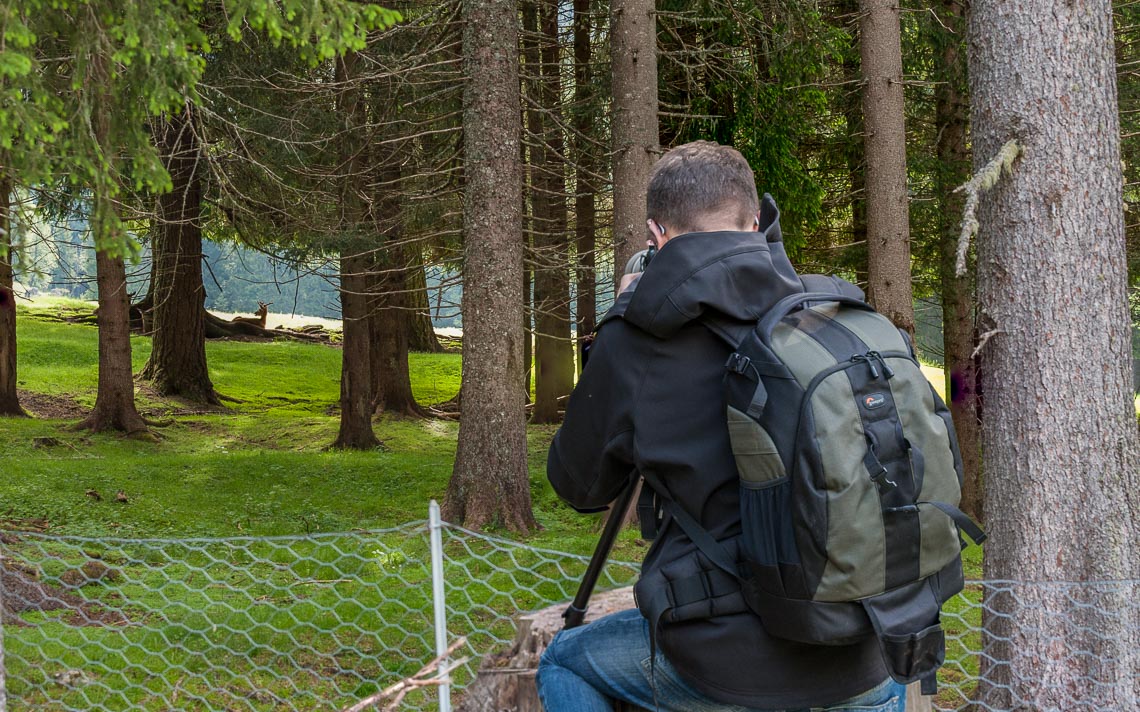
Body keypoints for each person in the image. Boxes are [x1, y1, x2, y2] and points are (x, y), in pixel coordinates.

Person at [537, 141, 905, 712]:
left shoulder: (639, 338)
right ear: (755, 221)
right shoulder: (824, 316)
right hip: (866, 650)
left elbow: (578, 486)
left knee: (563, 661)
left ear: (657, 235)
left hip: (725, 663)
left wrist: (620, 322)